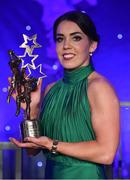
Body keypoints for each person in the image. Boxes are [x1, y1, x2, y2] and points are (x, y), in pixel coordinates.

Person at [10, 10, 120, 179]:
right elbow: (32, 150)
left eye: (76, 37)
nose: (66, 45)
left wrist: (52, 145)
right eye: (60, 39)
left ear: (92, 45)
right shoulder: (51, 89)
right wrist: (31, 110)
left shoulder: (99, 87)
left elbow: (106, 154)